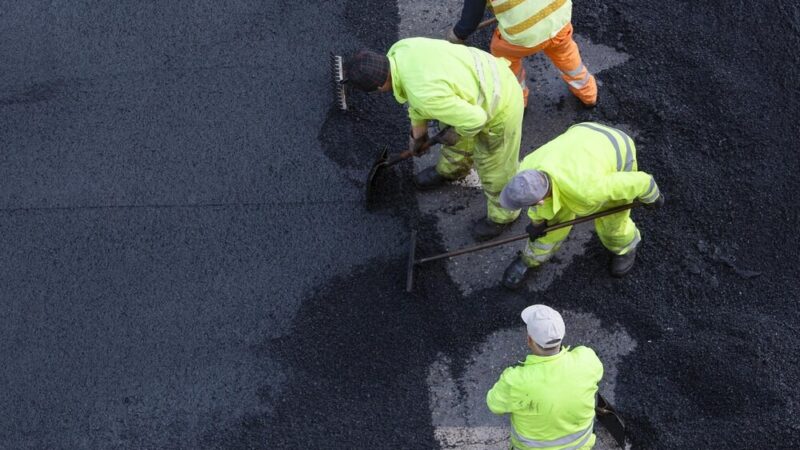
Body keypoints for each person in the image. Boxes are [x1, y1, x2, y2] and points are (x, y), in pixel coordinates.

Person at [343, 37, 524, 241]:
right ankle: (452, 170)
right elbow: (417, 102)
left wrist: (457, 133)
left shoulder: (426, 95)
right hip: (476, 83)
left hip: (501, 104)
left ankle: (504, 215)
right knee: (451, 134)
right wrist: (417, 136)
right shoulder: (400, 50)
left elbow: (475, 119)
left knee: (495, 167)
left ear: (378, 88)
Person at [499, 122, 663, 289]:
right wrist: (538, 225)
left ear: (540, 200)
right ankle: (529, 260)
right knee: (550, 226)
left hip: (616, 148)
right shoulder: (526, 169)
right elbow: (538, 207)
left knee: (612, 223)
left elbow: (641, 182)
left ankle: (625, 248)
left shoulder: (589, 191)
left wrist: (652, 196)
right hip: (581, 136)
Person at [487, 304, 603, 449]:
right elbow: (598, 372)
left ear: (529, 340)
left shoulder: (515, 380)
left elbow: (494, 404)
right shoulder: (586, 359)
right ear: (562, 335)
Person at [447, 0, 597, 107]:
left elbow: (471, 18)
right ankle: (588, 94)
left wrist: (458, 34)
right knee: (566, 55)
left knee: (502, 54)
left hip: (522, 36)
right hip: (559, 19)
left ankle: (519, 100)